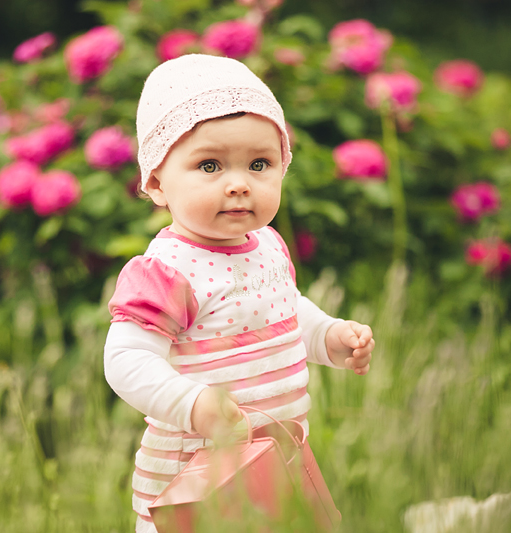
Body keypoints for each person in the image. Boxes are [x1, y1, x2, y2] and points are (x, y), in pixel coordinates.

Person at [104, 54, 375, 533]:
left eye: (259, 164)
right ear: (157, 183)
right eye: (209, 165)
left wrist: (327, 337)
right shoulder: (167, 270)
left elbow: (284, 311)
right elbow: (126, 360)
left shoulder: (268, 245)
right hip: (196, 478)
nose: (238, 184)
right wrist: (192, 404)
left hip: (277, 465)